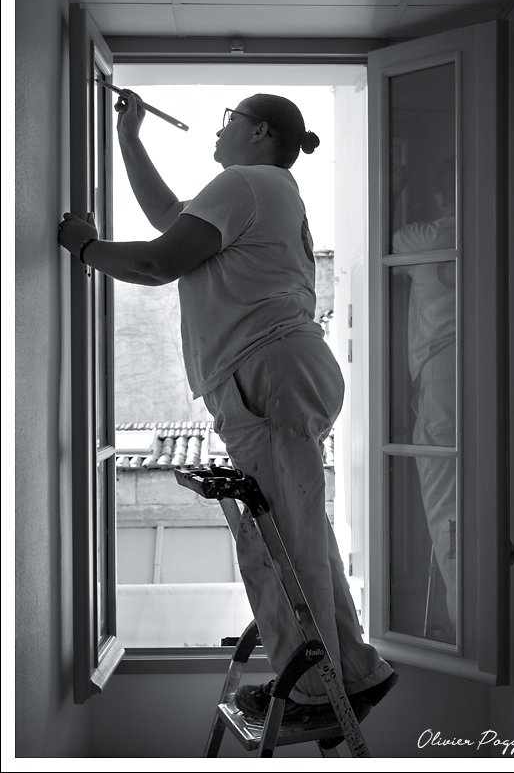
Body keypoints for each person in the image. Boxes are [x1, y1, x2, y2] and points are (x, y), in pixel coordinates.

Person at [59, 92, 397, 723]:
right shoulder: (264, 190)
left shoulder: (245, 182)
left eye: (229, 122)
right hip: (283, 371)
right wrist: (130, 138)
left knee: (276, 544)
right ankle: (353, 672)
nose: (220, 133)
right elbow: (170, 219)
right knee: (299, 533)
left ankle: (314, 693)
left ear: (260, 131)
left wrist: (85, 248)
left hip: (269, 374)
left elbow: (158, 261)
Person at [392, 158, 457, 635]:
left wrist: (394, 187)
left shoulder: (426, 238)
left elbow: (385, 240)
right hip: (485, 371)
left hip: (441, 379)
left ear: (439, 197)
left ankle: (466, 629)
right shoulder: (496, 230)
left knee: (446, 505)